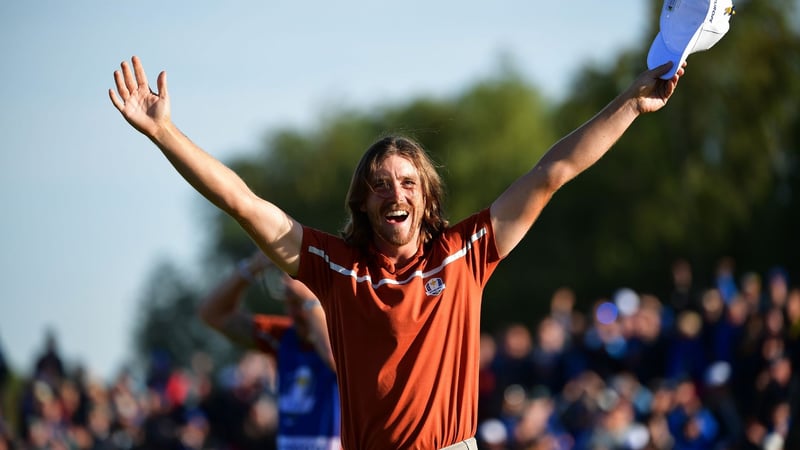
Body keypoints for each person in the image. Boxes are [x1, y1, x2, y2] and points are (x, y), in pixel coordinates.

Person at [110, 54, 684, 449]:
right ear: (362, 203)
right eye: (381, 184)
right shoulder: (335, 268)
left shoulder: (466, 253)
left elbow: (551, 172)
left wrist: (631, 102)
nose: (395, 193)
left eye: (408, 182)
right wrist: (166, 134)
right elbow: (242, 202)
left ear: (426, 197)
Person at [198, 250, 340, 450]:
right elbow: (212, 314)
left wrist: (310, 300)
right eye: (289, 303)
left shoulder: (345, 337)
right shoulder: (283, 337)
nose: (294, 313)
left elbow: (334, 359)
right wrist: (251, 269)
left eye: (298, 304)